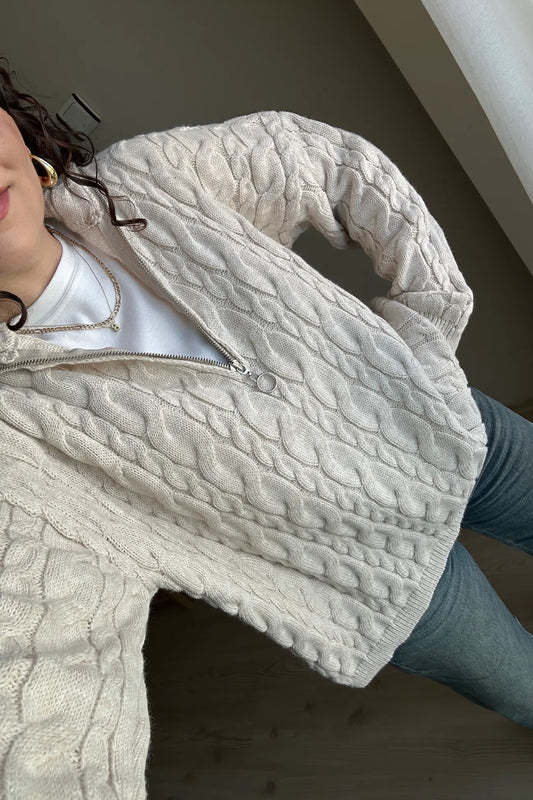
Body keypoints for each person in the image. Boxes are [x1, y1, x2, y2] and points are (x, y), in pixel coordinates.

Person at [0, 58, 531, 798]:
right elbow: (45, 694)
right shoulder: (15, 443)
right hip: (385, 586)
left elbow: (333, 164)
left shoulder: (146, 179)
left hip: (458, 432)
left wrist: (430, 319)